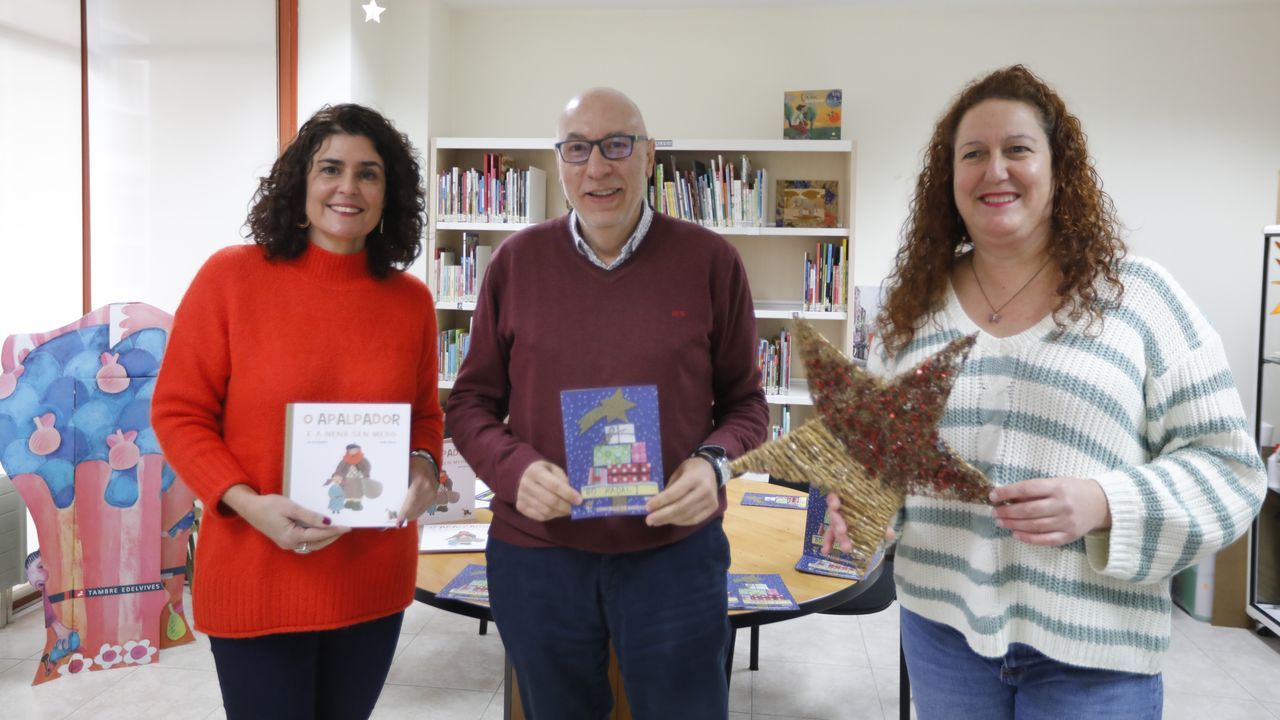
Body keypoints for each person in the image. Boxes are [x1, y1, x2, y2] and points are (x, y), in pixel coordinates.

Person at [824, 64, 1266, 720]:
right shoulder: (912, 311)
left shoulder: (1139, 300)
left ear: (1061, 170)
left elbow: (1231, 471)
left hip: (1096, 655)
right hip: (943, 634)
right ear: (948, 180)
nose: (994, 170)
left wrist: (1104, 502)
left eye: (1018, 150)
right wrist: (863, 505)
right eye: (973, 153)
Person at [445, 87, 769, 718]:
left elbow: (748, 406)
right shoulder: (515, 263)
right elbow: (470, 405)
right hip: (540, 558)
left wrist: (713, 463)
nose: (597, 167)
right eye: (577, 149)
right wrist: (514, 470)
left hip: (674, 557)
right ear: (560, 162)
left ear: (648, 156)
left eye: (617, 145)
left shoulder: (711, 262)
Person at [151, 104, 445, 720]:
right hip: (258, 568)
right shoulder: (231, 278)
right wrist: (245, 501)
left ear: (389, 193)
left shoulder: (410, 302)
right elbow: (179, 412)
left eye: (369, 173)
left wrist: (422, 467)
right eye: (330, 168)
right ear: (299, 183)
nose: (348, 187)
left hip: (371, 578)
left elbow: (423, 415)